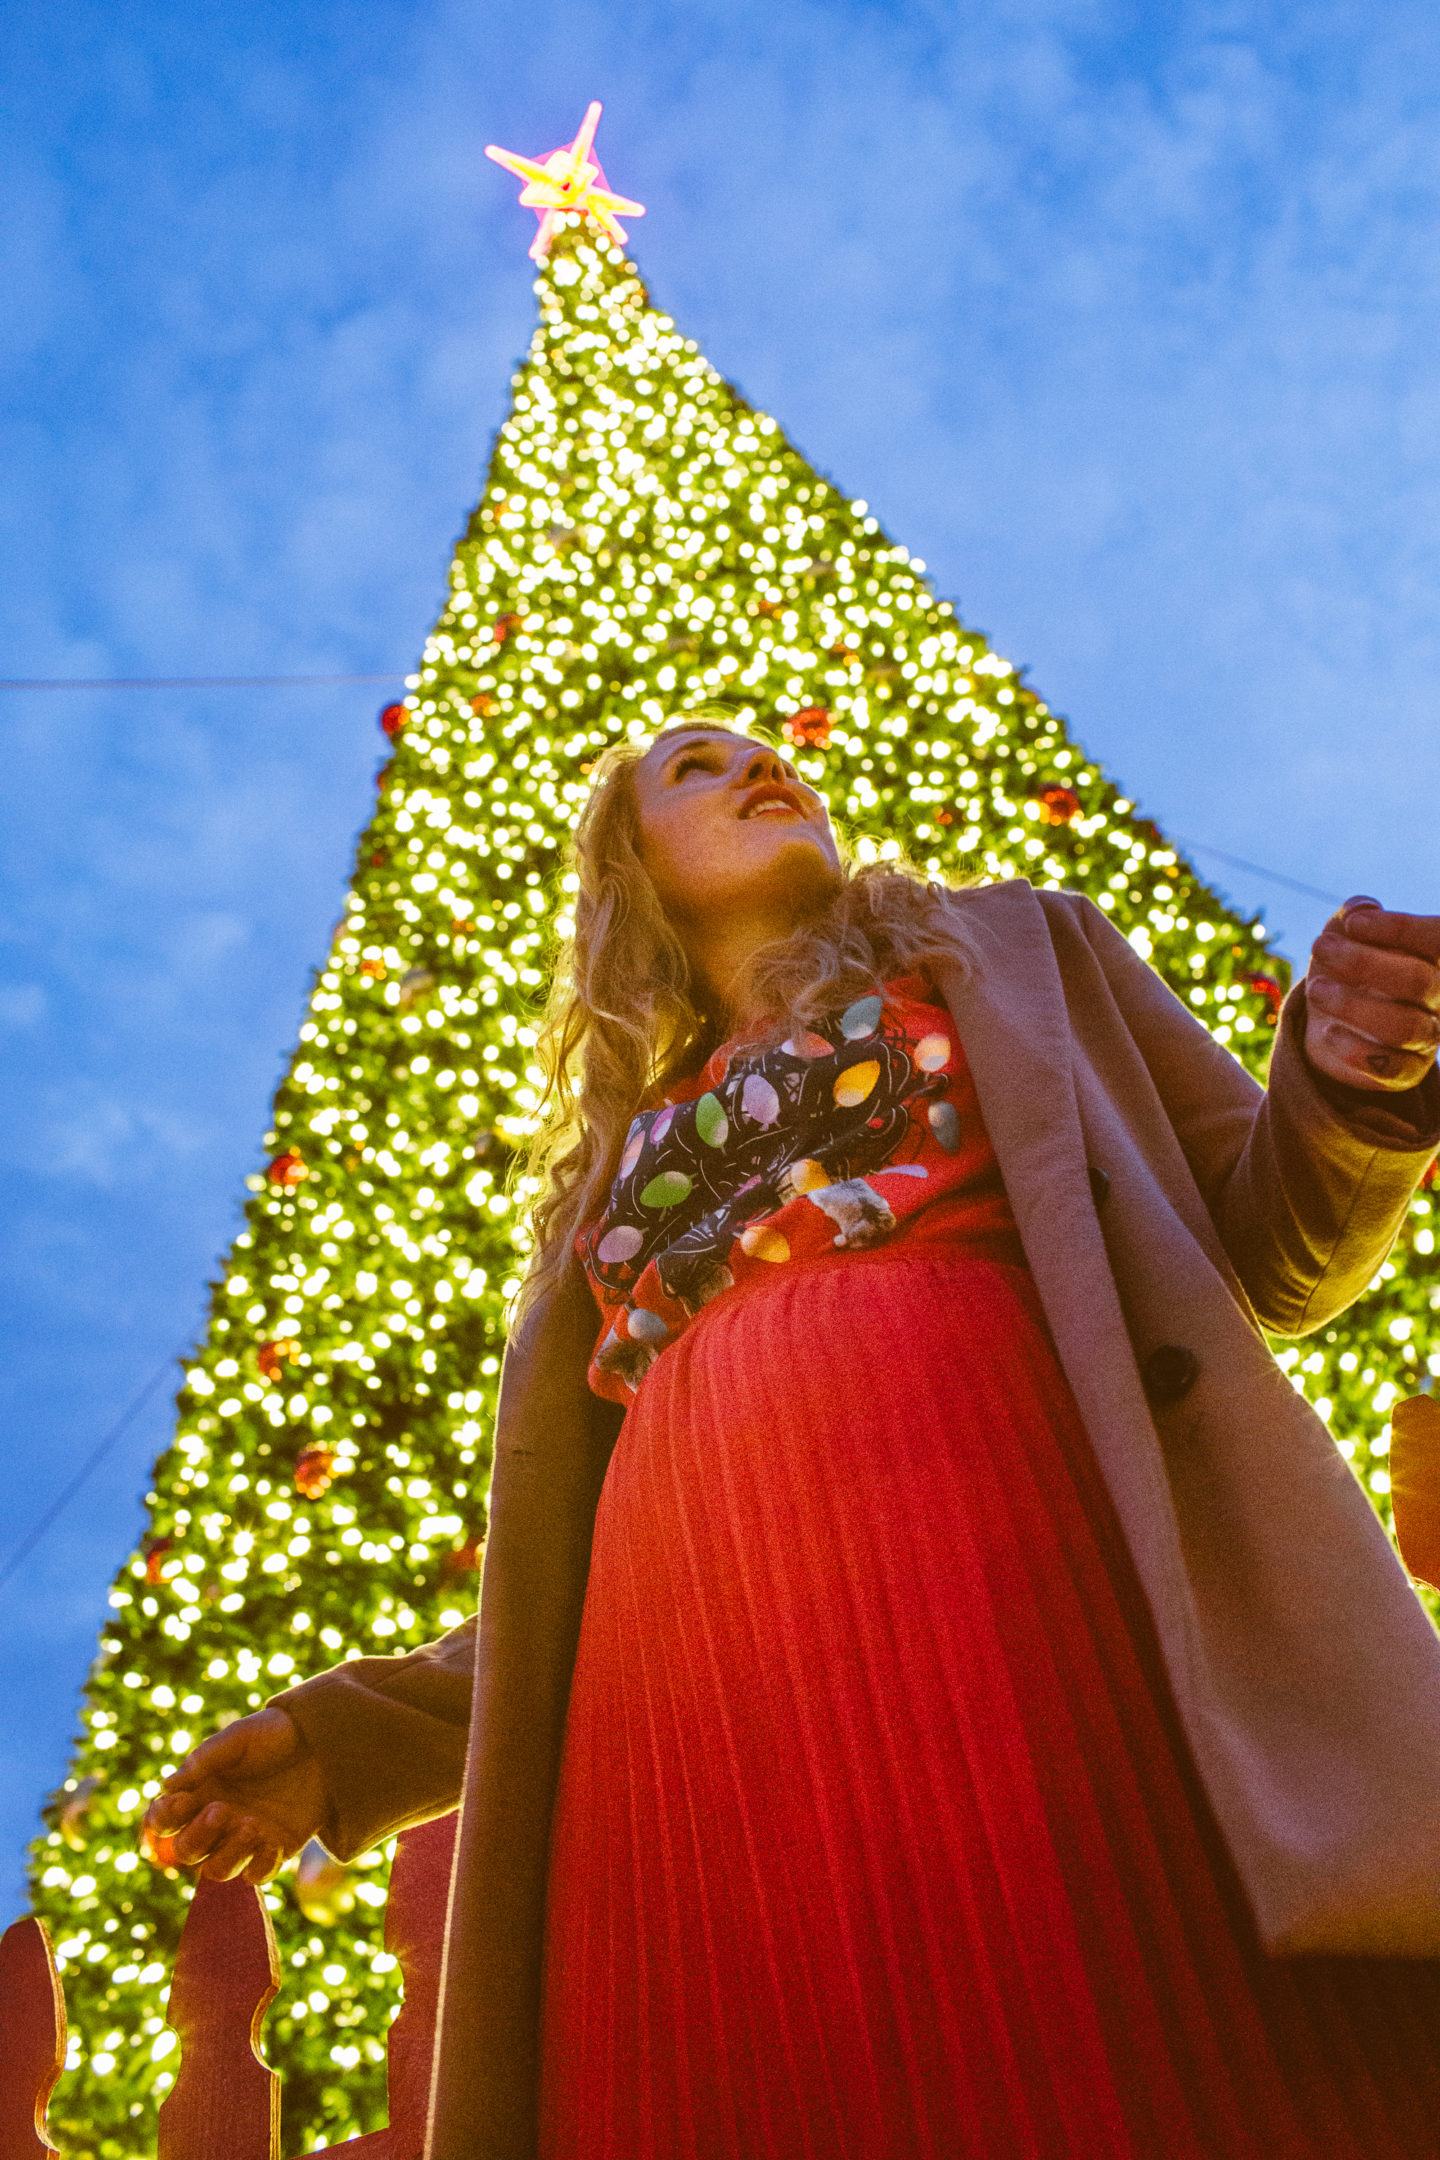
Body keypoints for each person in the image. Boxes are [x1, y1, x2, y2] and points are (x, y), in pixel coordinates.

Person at [144, 714, 1440, 2158]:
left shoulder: (1019, 954)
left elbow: (1268, 1251)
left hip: (1020, 1576)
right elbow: (548, 1595)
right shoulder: (605, 1170)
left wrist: (1351, 1091)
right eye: (691, 770)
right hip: (683, 1694)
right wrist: (343, 1739)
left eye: (769, 754)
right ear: (629, 872)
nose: (761, 767)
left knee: (1131, 2039)